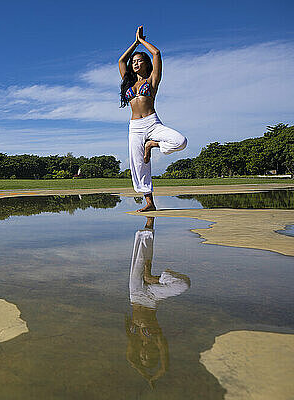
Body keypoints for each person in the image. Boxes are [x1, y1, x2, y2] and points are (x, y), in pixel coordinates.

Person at [118, 26, 187, 212]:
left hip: (152, 123)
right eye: (134, 62)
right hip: (135, 126)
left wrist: (141, 42)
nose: (135, 64)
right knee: (139, 165)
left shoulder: (152, 80)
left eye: (139, 61)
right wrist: (134, 42)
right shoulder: (129, 82)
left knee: (180, 141)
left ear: (146, 64)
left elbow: (156, 53)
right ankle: (150, 202)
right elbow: (121, 60)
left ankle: (152, 145)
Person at [125, 217, 190, 387]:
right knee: (184, 284)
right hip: (152, 299)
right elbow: (165, 365)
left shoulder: (134, 340)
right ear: (153, 354)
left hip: (136, 294)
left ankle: (149, 222)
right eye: (148, 358)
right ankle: (155, 278)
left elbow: (131, 360)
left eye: (142, 358)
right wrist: (156, 375)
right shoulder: (157, 338)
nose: (144, 356)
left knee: (140, 256)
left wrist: (143, 373)